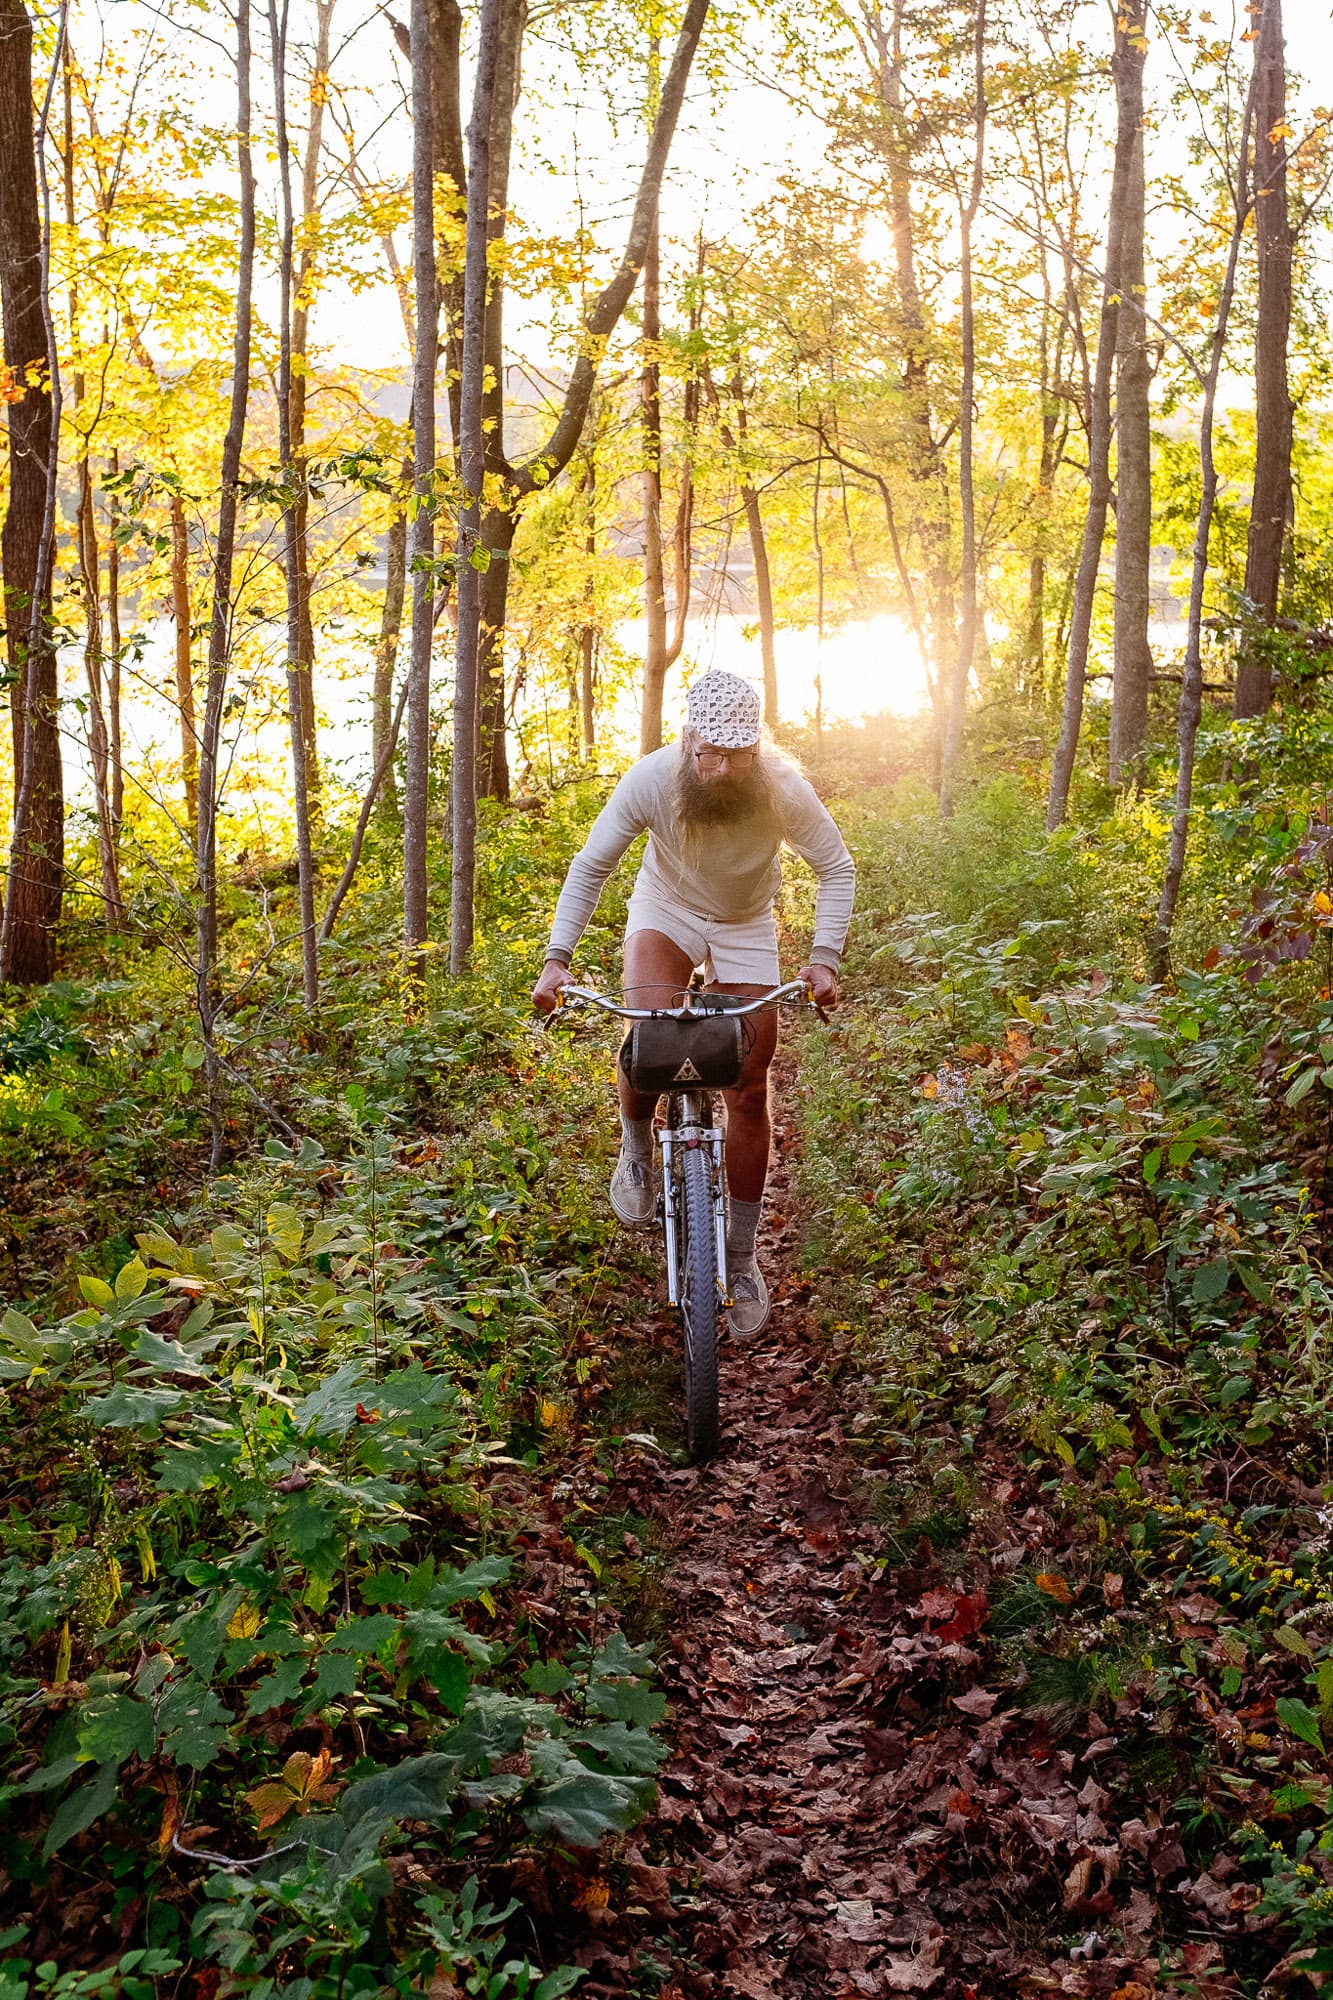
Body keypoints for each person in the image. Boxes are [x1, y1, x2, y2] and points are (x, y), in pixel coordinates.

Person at [531, 670, 855, 1336]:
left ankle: (739, 1257)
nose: (720, 767)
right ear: (687, 739)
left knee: (746, 1080)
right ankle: (635, 1150)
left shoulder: (780, 789)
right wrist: (556, 959)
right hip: (666, 909)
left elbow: (836, 867)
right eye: (709, 751)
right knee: (648, 1034)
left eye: (736, 754)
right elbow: (591, 866)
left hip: (744, 923)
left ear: (755, 748)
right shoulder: (652, 779)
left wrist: (823, 958)